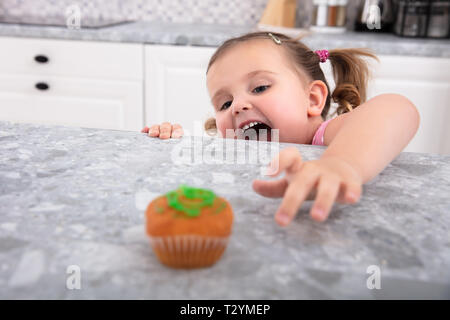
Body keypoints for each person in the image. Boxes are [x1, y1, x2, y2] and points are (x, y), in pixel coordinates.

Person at [141, 32, 420, 226]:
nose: (237, 105)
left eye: (260, 87)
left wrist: (341, 164)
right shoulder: (236, 148)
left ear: (312, 99)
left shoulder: (326, 137)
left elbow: (397, 109)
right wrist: (167, 138)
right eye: (225, 103)